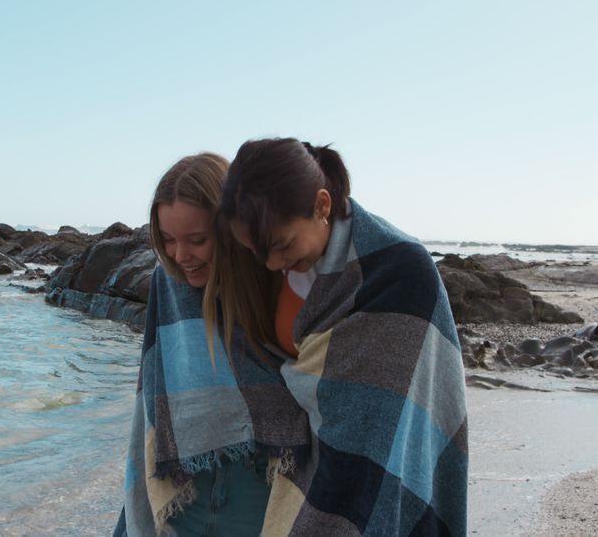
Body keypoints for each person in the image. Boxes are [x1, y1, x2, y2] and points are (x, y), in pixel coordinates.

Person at [213, 138, 469, 536]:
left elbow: (405, 404)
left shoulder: (399, 271)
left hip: (380, 453)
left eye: (282, 245)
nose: (273, 263)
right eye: (256, 251)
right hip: (302, 459)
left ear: (322, 205)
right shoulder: (262, 276)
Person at [115, 153, 310, 537]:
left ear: (232, 229)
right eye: (167, 240)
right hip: (187, 499)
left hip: (264, 496)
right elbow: (152, 394)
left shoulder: (282, 279)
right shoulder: (167, 283)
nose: (180, 256)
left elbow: (320, 391)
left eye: (197, 240)